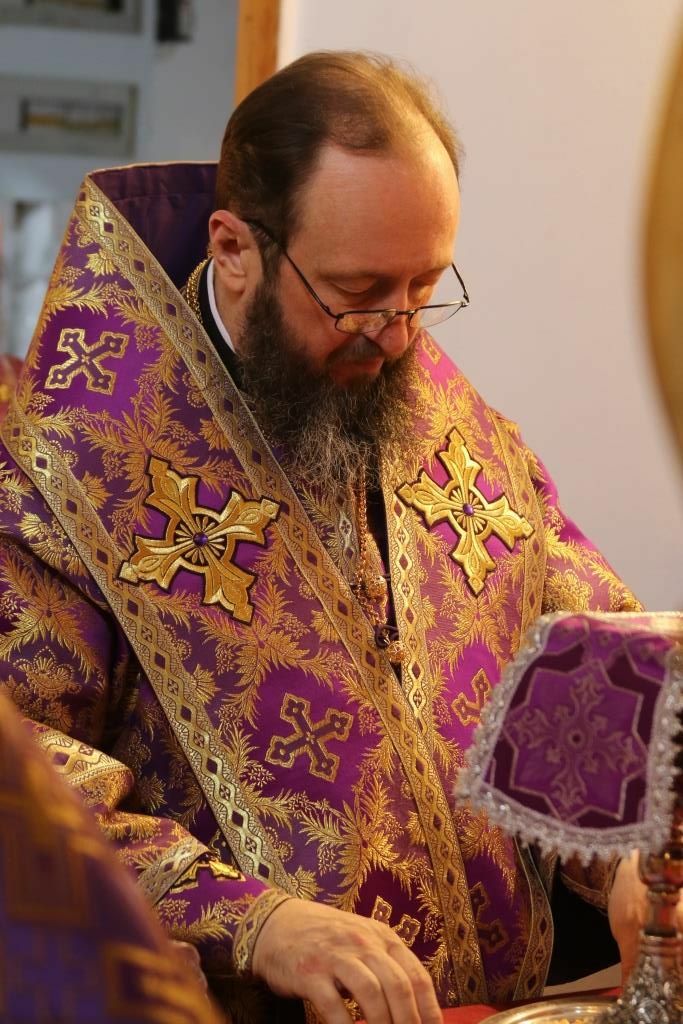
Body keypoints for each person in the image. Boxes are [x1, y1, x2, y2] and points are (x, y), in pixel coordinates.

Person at [0, 51, 648, 1024]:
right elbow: (22, 784)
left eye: (422, 286)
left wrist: (630, 855)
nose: (398, 335)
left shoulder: (438, 412)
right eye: (357, 289)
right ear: (235, 250)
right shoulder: (68, 474)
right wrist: (256, 922)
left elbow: (573, 655)